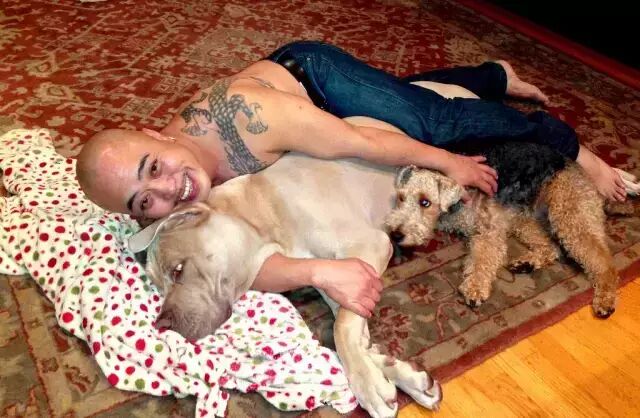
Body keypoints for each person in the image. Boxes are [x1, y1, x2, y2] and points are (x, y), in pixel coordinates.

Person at [77, 41, 630, 318]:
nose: (167, 191)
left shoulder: (252, 117)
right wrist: (312, 270)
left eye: (154, 167)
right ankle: (491, 76)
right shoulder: (173, 198)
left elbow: (364, 143)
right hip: (307, 117)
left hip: (314, 82)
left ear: (155, 133)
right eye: (142, 202)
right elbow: (231, 261)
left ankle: (571, 146)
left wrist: (449, 163)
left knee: (433, 123)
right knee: (406, 95)